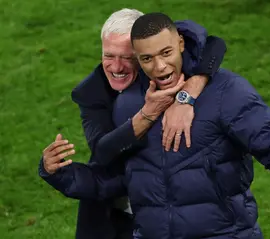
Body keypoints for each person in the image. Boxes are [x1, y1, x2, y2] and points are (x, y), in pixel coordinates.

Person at [41, 12, 270, 239]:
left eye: (165, 53)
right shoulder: (127, 105)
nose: (160, 66)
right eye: (147, 59)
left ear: (181, 44)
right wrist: (59, 173)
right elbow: (117, 177)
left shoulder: (226, 91)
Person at [39, 9, 227, 239]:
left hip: (182, 211)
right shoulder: (91, 93)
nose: (116, 67)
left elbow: (214, 45)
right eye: (109, 55)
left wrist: (191, 89)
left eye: (127, 58)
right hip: (117, 214)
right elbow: (103, 151)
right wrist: (147, 115)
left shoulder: (165, 58)